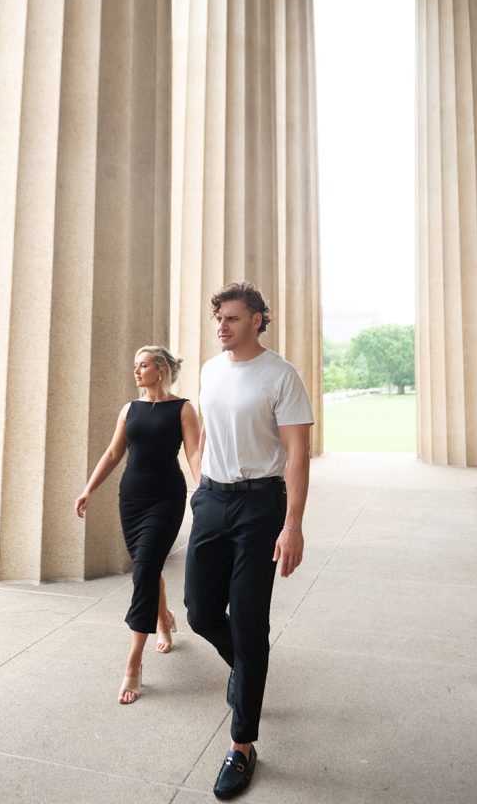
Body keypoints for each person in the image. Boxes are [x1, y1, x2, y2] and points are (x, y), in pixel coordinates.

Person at [184, 281, 313, 800]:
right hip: (212, 502)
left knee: (250, 620)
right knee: (200, 612)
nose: (221, 326)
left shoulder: (281, 375)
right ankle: (243, 666)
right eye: (218, 318)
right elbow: (207, 434)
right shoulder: (210, 370)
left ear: (257, 320)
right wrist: (201, 486)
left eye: (232, 318)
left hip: (261, 507)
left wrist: (293, 525)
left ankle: (242, 744)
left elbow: (297, 454)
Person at [75, 345, 201, 704]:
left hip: (166, 499)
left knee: (144, 569)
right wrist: (88, 489)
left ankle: (133, 663)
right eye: (135, 365)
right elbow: (114, 453)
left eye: (143, 365)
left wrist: (205, 491)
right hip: (131, 500)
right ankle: (164, 617)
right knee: (148, 567)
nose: (136, 371)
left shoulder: (183, 408)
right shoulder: (130, 409)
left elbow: (194, 452)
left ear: (160, 370)